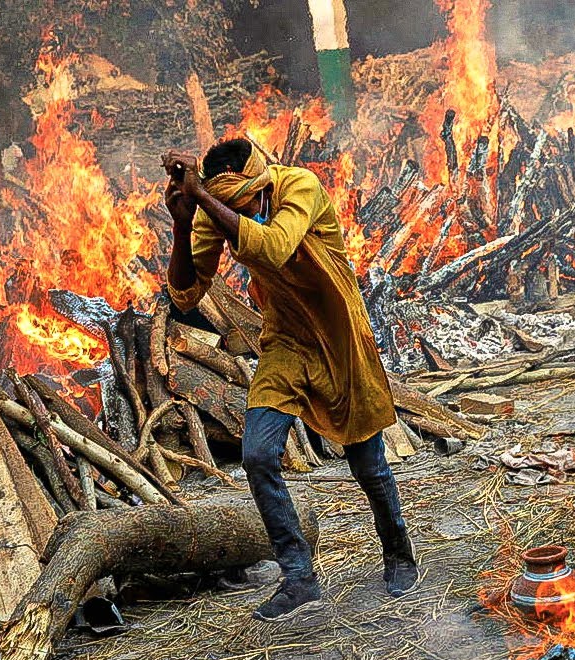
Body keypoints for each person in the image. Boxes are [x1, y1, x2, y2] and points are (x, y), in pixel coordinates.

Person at [162, 138, 420, 622]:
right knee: (258, 454)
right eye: (226, 206)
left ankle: (398, 553)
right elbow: (186, 292)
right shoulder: (211, 206)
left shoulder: (300, 185)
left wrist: (203, 199)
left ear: (262, 184)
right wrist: (182, 221)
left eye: (244, 204)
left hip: (340, 334)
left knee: (367, 463)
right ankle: (298, 577)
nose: (238, 214)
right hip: (285, 341)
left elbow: (276, 246)